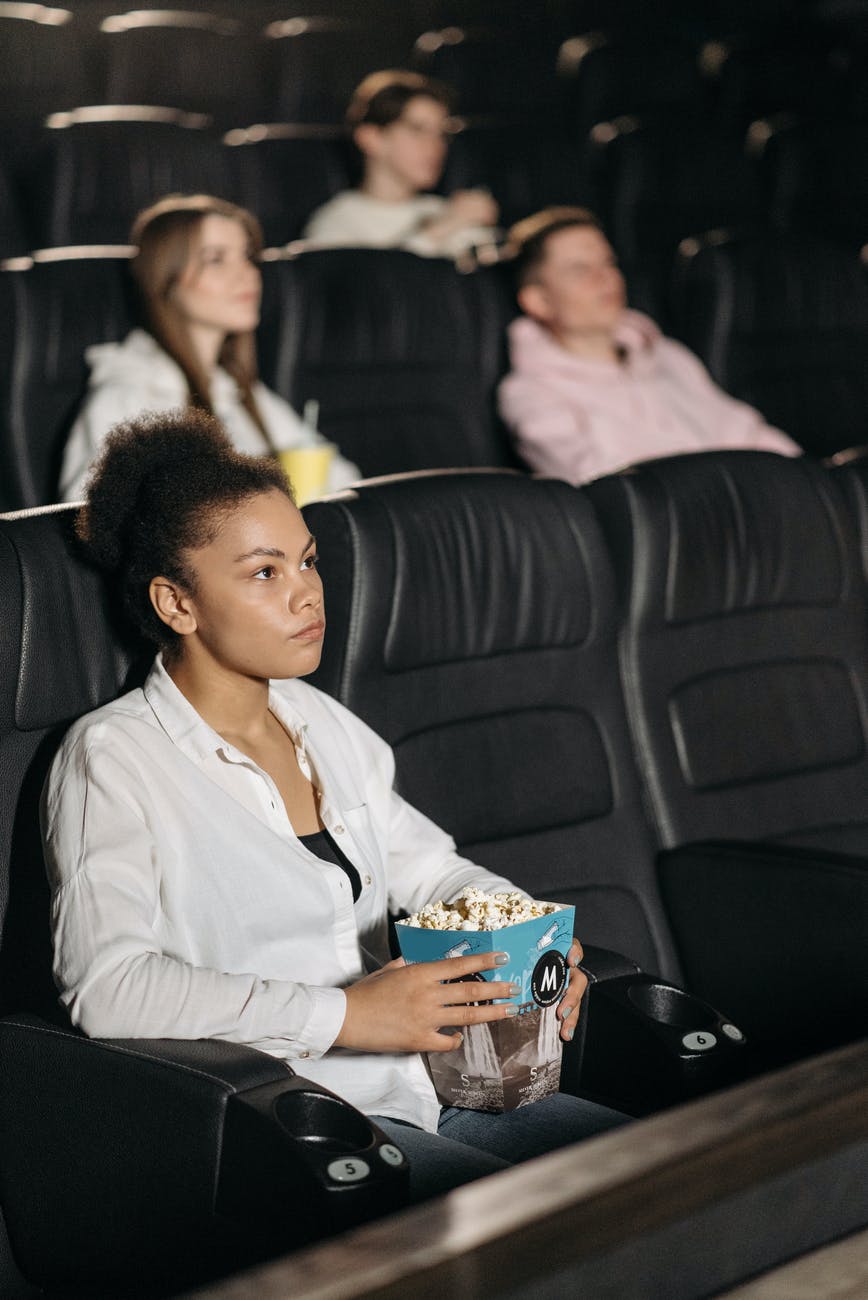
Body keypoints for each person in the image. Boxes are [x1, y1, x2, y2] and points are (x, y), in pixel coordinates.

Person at [42, 411, 626, 1204]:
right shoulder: (111, 756)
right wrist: (344, 1017)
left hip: (434, 1092)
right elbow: (109, 987)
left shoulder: (318, 719)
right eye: (263, 573)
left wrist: (533, 941)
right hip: (291, 1125)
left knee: (667, 1176)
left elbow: (435, 871)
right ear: (177, 605)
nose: (308, 593)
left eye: (308, 561)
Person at [59, 194, 360, 503]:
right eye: (216, 259)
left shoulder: (239, 389)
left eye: (247, 256)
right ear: (167, 280)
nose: (248, 274)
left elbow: (343, 480)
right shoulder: (128, 395)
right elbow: (89, 520)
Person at [498, 207, 802, 485]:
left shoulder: (668, 355)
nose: (604, 278)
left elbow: (745, 432)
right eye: (580, 270)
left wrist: (810, 482)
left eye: (608, 263)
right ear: (538, 301)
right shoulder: (531, 393)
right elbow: (605, 485)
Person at [303, 70, 499, 260]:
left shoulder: (444, 211)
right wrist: (438, 231)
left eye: (441, 134)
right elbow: (370, 289)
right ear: (371, 138)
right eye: (417, 129)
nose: (435, 146)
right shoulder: (336, 224)